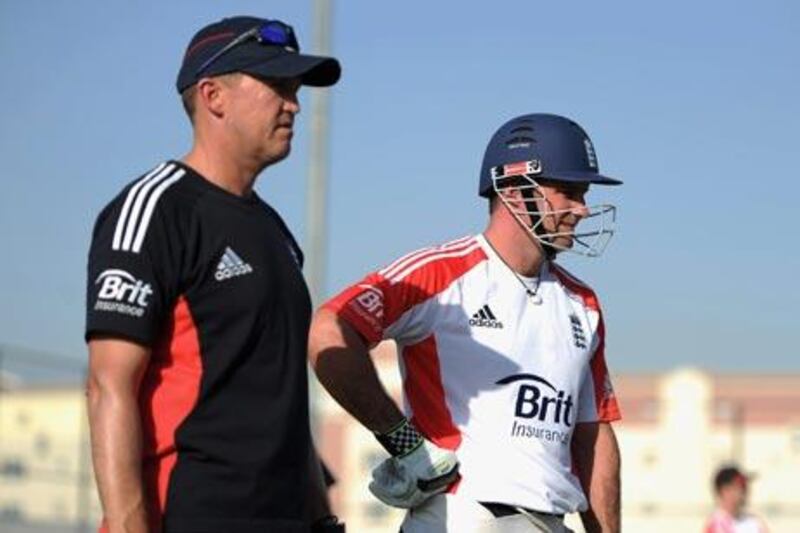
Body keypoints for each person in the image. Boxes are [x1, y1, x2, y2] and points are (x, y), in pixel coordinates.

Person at [85, 16, 343, 533]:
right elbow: (107, 386)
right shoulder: (154, 210)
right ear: (212, 96)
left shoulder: (274, 230)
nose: (293, 104)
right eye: (277, 86)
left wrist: (321, 518)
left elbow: (284, 400)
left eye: (295, 89)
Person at [308, 113, 623, 533]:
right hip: (461, 518)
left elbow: (593, 435)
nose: (582, 209)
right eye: (567, 191)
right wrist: (403, 443)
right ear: (514, 189)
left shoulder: (583, 302)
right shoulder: (441, 272)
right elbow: (328, 330)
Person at [704, 465, 768, 533]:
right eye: (739, 487)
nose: (744, 492)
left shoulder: (754, 521)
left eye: (744, 487)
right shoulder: (717, 524)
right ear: (723, 491)